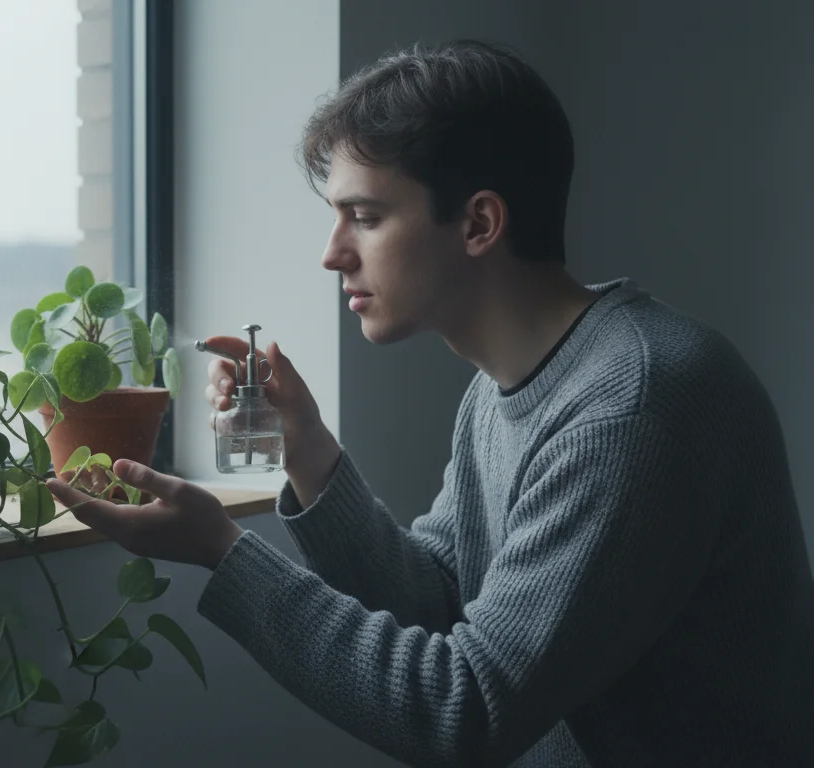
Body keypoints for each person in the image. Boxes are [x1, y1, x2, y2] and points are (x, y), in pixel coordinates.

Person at [46, 39, 814, 766]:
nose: (331, 252)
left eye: (366, 216)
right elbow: (441, 607)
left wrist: (225, 552)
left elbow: (465, 709)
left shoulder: (635, 407)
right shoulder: (500, 391)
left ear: (479, 222)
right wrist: (308, 448)